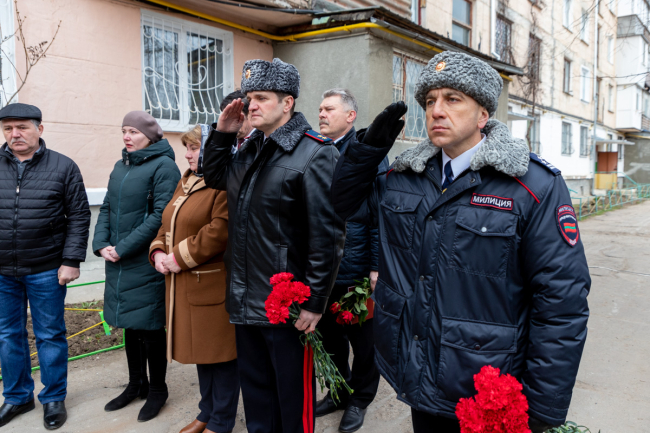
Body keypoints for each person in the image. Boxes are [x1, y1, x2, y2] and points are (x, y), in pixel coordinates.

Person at [331, 51, 590, 433]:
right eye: (430, 100)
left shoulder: (531, 186)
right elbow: (340, 203)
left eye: (452, 99)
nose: (436, 110)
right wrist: (366, 151)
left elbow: (561, 303)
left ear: (483, 114)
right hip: (416, 369)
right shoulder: (405, 176)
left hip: (486, 387)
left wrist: (541, 409)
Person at [202, 58, 345, 433]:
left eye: (262, 98)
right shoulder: (250, 148)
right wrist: (223, 133)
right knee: (258, 400)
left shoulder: (316, 152)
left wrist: (315, 302)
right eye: (249, 98)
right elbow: (214, 177)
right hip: (246, 299)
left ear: (287, 103)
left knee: (292, 403)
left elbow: (327, 237)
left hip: (287, 307)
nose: (251, 105)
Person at [0, 103, 91, 430]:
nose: (15, 134)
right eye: (8, 128)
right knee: (8, 335)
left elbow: (79, 216)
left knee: (50, 335)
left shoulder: (63, 167)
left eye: (22, 127)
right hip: (3, 271)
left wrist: (71, 260)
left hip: (46, 269)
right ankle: (17, 396)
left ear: (39, 128)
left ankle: (53, 398)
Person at [149, 125, 239, 433]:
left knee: (220, 356)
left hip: (210, 284)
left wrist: (178, 257)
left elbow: (219, 231)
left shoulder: (222, 182)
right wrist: (158, 251)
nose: (187, 155)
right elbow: (167, 223)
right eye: (186, 148)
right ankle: (206, 412)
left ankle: (221, 421)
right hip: (185, 285)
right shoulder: (187, 180)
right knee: (203, 352)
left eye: (194, 148)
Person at [93, 111, 180, 422]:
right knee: (130, 324)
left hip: (146, 259)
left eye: (133, 132)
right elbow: (106, 207)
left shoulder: (164, 166)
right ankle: (136, 384)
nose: (127, 137)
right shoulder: (122, 166)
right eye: (124, 131)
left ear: (150, 135)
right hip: (118, 259)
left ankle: (157, 389)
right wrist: (101, 243)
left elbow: (160, 216)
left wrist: (123, 247)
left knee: (151, 326)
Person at [315, 89, 386, 433]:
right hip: (324, 268)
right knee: (330, 337)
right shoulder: (317, 150)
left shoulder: (367, 153)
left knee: (364, 342)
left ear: (350, 115)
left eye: (329, 108)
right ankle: (339, 391)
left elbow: (380, 214)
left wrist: (376, 265)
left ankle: (360, 399)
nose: (322, 113)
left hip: (357, 269)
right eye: (320, 108)